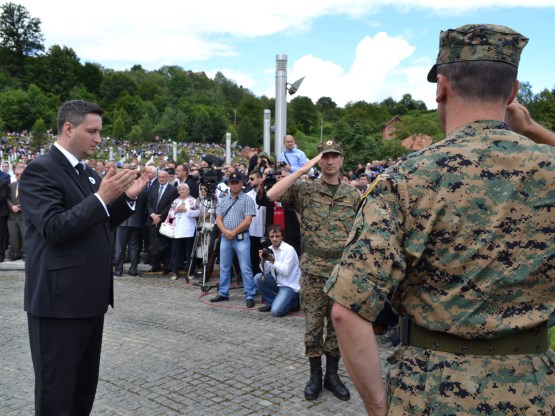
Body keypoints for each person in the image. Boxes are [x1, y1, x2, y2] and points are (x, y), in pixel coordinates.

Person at [326, 24, 555, 415]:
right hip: (532, 391)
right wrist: (534, 131)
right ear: (514, 92)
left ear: (441, 87)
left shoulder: (404, 179)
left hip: (429, 390)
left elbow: (345, 312)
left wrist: (379, 409)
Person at [20, 100, 148, 415]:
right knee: (56, 397)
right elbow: (53, 227)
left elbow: (97, 221)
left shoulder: (88, 173)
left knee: (81, 395)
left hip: (89, 301)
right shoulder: (41, 170)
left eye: (99, 132)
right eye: (92, 131)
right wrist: (102, 198)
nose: (98, 138)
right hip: (58, 304)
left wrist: (125, 199)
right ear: (68, 128)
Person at [267, 140, 359, 402]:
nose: (330, 161)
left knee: (337, 327)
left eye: (335, 157)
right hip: (314, 270)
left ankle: (332, 375)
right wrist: (302, 169)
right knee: (313, 325)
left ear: (342, 160)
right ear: (320, 160)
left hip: (341, 270)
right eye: (325, 157)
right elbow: (272, 194)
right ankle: (315, 376)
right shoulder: (306, 191)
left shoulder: (352, 195)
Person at [210, 172, 257, 308]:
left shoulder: (247, 199)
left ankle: (249, 294)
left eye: (237, 182)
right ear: (229, 184)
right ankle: (223, 292)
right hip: (226, 236)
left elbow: (248, 220)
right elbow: (218, 218)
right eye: (232, 182)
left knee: (245, 268)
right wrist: (225, 231)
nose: (235, 185)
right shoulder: (224, 199)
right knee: (224, 267)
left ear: (242, 184)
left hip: (241, 237)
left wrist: (233, 232)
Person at [254, 224, 301, 316]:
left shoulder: (289, 250)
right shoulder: (269, 249)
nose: (274, 239)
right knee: (258, 278)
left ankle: (294, 303)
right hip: (277, 282)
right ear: (269, 238)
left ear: (282, 236)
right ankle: (272, 302)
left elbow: (285, 272)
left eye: (277, 236)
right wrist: (263, 260)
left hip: (289, 285)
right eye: (272, 236)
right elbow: (266, 272)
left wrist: (273, 261)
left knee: (276, 311)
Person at [145, 169, 178, 274]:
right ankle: (155, 265)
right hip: (152, 220)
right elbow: (148, 203)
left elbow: (170, 205)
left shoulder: (172, 190)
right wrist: (153, 215)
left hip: (165, 221)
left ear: (168, 178)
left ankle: (166, 265)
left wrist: (160, 217)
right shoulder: (152, 188)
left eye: (164, 177)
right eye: (160, 177)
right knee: (153, 244)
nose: (161, 179)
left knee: (165, 244)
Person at [167, 183, 201, 280]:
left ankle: (190, 272)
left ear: (188, 190)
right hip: (177, 230)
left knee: (190, 252)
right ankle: (174, 271)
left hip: (189, 229)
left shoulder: (193, 201)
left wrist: (186, 210)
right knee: (175, 251)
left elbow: (197, 213)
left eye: (184, 189)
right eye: (180, 190)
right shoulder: (175, 201)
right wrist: (176, 211)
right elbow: (170, 214)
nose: (182, 191)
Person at [246, 170, 266, 275]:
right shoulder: (247, 196)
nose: (249, 181)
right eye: (249, 179)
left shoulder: (267, 193)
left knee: (266, 259)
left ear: (260, 179)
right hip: (252, 232)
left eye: (252, 179)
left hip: (266, 232)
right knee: (254, 258)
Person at [7, 164, 25, 261]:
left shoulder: (29, 186)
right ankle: (15, 253)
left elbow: (30, 199)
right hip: (12, 215)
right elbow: (7, 198)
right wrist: (12, 206)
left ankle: (25, 254)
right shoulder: (11, 186)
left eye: (21, 174)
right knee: (13, 236)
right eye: (17, 174)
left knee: (24, 235)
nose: (19, 176)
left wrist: (20, 207)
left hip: (23, 215)